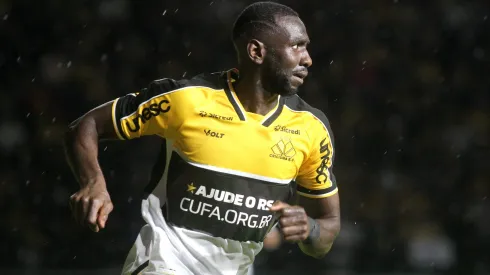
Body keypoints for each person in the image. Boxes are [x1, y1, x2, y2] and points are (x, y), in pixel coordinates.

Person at [64, 2, 341, 275]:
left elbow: (328, 229)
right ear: (256, 51)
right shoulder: (185, 100)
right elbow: (86, 125)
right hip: (165, 263)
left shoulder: (311, 128)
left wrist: (310, 229)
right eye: (297, 46)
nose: (307, 59)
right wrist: (93, 183)